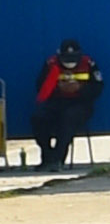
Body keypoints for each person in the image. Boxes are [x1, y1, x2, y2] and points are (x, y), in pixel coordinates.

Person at [27, 39, 102, 169]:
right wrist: (58, 88)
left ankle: (58, 158)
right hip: (56, 102)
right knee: (38, 118)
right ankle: (47, 156)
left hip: (80, 104)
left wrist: (80, 89)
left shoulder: (88, 63)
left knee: (69, 118)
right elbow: (41, 86)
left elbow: (98, 87)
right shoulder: (51, 64)